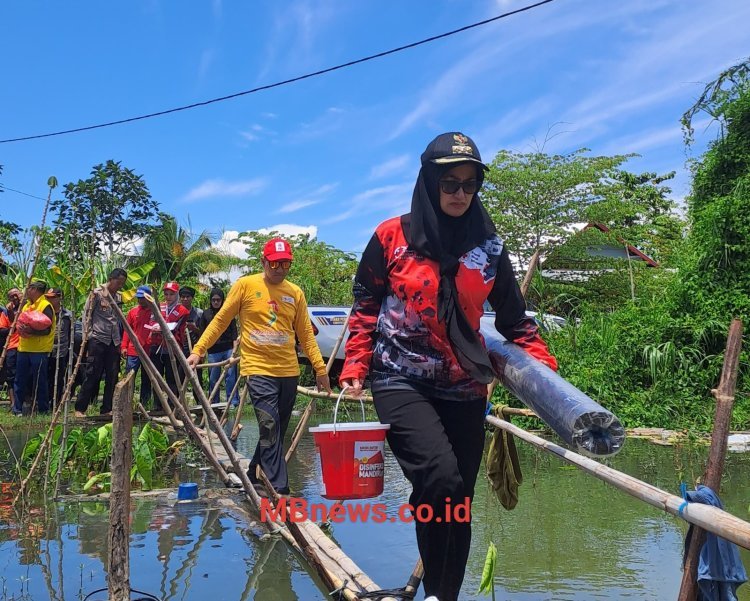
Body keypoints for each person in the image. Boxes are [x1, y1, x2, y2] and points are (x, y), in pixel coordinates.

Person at [340, 132, 558, 601]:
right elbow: (365, 303)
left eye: (469, 184)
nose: (460, 193)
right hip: (399, 377)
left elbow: (515, 320)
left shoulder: (489, 249)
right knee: (439, 477)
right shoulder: (390, 237)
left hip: (464, 384)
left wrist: (545, 377)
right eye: (449, 183)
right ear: (429, 182)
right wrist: (355, 363)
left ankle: (443, 595)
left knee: (455, 500)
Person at [187, 237, 332, 495]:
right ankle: (280, 489)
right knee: (268, 424)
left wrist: (320, 369)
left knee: (277, 428)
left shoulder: (295, 292)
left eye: (285, 263)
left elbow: (306, 335)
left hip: (288, 371)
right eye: (274, 263)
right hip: (258, 368)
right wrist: (199, 350)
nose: (279, 268)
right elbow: (221, 320)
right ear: (263, 262)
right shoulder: (245, 286)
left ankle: (254, 471)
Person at [75, 268, 128, 417]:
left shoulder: (118, 297)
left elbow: (118, 320)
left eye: (122, 283)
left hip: (113, 340)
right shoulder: (96, 294)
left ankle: (106, 409)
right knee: (93, 374)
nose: (120, 286)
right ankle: (80, 408)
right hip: (98, 338)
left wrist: (120, 342)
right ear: (111, 278)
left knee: (112, 375)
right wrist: (88, 336)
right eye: (118, 282)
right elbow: (86, 315)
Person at [14, 280, 56, 415]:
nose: (26, 291)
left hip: (39, 349)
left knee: (40, 381)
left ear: (35, 290)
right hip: (23, 348)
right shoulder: (26, 306)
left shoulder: (45, 305)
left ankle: (43, 409)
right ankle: (17, 409)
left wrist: (31, 331)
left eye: (29, 288)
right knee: (20, 380)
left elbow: (47, 330)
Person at [197, 288, 239, 406]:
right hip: (213, 351)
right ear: (211, 300)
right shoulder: (206, 314)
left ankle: (233, 402)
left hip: (228, 349)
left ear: (222, 300)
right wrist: (201, 352)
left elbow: (234, 334)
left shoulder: (228, 313)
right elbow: (203, 334)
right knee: (213, 379)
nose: (216, 302)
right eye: (213, 300)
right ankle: (214, 402)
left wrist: (234, 352)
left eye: (218, 300)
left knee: (231, 377)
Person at [148, 281, 190, 401]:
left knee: (172, 378)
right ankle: (157, 404)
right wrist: (155, 326)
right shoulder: (158, 306)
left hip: (173, 347)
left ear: (176, 295)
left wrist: (162, 326)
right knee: (157, 377)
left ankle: (173, 403)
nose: (168, 297)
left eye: (171, 294)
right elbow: (151, 320)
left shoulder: (183, 310)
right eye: (166, 294)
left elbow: (176, 327)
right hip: (157, 346)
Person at [121, 285, 154, 407]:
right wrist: (124, 346)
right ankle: (127, 403)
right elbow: (127, 331)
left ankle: (144, 404)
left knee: (147, 378)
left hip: (149, 351)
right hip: (133, 351)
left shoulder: (155, 311)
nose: (140, 300)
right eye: (138, 298)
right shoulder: (133, 312)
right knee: (129, 377)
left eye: (142, 298)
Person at [45, 288, 77, 407]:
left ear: (59, 298)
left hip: (61, 350)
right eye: (48, 297)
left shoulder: (67, 315)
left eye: (52, 297)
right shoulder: (44, 312)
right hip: (46, 348)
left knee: (58, 377)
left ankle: (57, 401)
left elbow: (70, 333)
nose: (49, 300)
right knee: (46, 376)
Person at [1, 288, 22, 409]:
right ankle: (13, 403)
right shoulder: (6, 312)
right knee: (11, 376)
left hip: (28, 347)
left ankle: (27, 402)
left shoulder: (28, 308)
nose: (14, 298)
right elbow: (3, 329)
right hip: (13, 346)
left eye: (16, 294)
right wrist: (12, 326)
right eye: (11, 296)